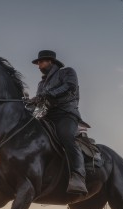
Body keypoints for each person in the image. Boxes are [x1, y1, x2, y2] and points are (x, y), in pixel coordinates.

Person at [31, 50, 88, 195]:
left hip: (66, 114)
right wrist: (30, 103)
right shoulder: (41, 83)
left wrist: (48, 94)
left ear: (50, 61)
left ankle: (78, 176)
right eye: (38, 63)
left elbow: (70, 86)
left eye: (41, 62)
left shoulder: (67, 72)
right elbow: (39, 101)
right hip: (47, 117)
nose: (39, 66)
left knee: (66, 137)